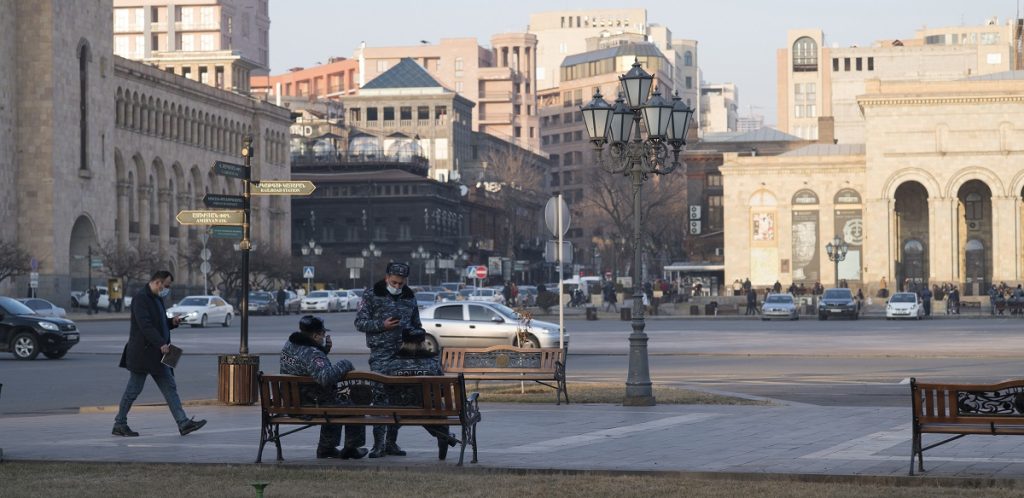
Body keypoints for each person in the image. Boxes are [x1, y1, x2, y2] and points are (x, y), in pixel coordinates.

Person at [354, 262, 458, 459]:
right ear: (387, 277)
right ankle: (379, 446)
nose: (398, 286)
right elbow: (359, 322)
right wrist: (381, 325)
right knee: (381, 397)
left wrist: (415, 334)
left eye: (401, 283)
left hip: (406, 354)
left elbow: (417, 324)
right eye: (394, 282)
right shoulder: (372, 295)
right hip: (381, 354)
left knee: (401, 397)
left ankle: (391, 443)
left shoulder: (409, 297)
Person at [113, 270, 206, 438]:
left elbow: (160, 324)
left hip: (159, 353)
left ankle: (183, 423)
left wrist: (172, 322)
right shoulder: (141, 299)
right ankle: (119, 423)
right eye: (167, 286)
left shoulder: (157, 299)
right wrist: (161, 343)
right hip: (144, 353)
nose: (167, 289)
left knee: (170, 387)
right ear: (158, 282)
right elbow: (145, 326)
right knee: (133, 390)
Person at [280, 315, 367, 459]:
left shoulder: (289, 345)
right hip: (311, 404)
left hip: (292, 402)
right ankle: (351, 448)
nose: (324, 337)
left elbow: (305, 364)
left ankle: (327, 449)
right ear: (315, 335)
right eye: (323, 334)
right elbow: (325, 378)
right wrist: (345, 364)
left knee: (336, 402)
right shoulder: (313, 353)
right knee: (354, 405)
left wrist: (322, 350)